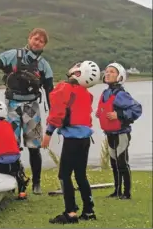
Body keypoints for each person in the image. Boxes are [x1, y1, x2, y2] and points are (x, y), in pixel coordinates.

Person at [0, 28, 53, 194]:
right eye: (35, 38)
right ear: (29, 38)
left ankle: (37, 183)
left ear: (44, 45)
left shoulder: (43, 65)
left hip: (32, 108)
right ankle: (12, 181)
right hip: (11, 106)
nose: (37, 41)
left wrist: (53, 114)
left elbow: (49, 91)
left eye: (41, 41)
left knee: (34, 146)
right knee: (11, 146)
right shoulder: (12, 55)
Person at [42, 60, 101, 224]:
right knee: (81, 175)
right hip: (85, 139)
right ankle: (89, 211)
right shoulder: (86, 94)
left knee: (64, 175)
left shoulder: (65, 88)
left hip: (73, 139)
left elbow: (57, 112)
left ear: (78, 73)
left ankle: (70, 213)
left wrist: (48, 133)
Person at [96, 62, 142, 200]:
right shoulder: (105, 93)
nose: (108, 73)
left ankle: (126, 193)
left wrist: (119, 115)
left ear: (120, 76)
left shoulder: (121, 94)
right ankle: (116, 191)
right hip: (110, 133)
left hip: (121, 133)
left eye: (112, 72)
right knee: (114, 163)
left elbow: (137, 109)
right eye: (107, 71)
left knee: (122, 163)